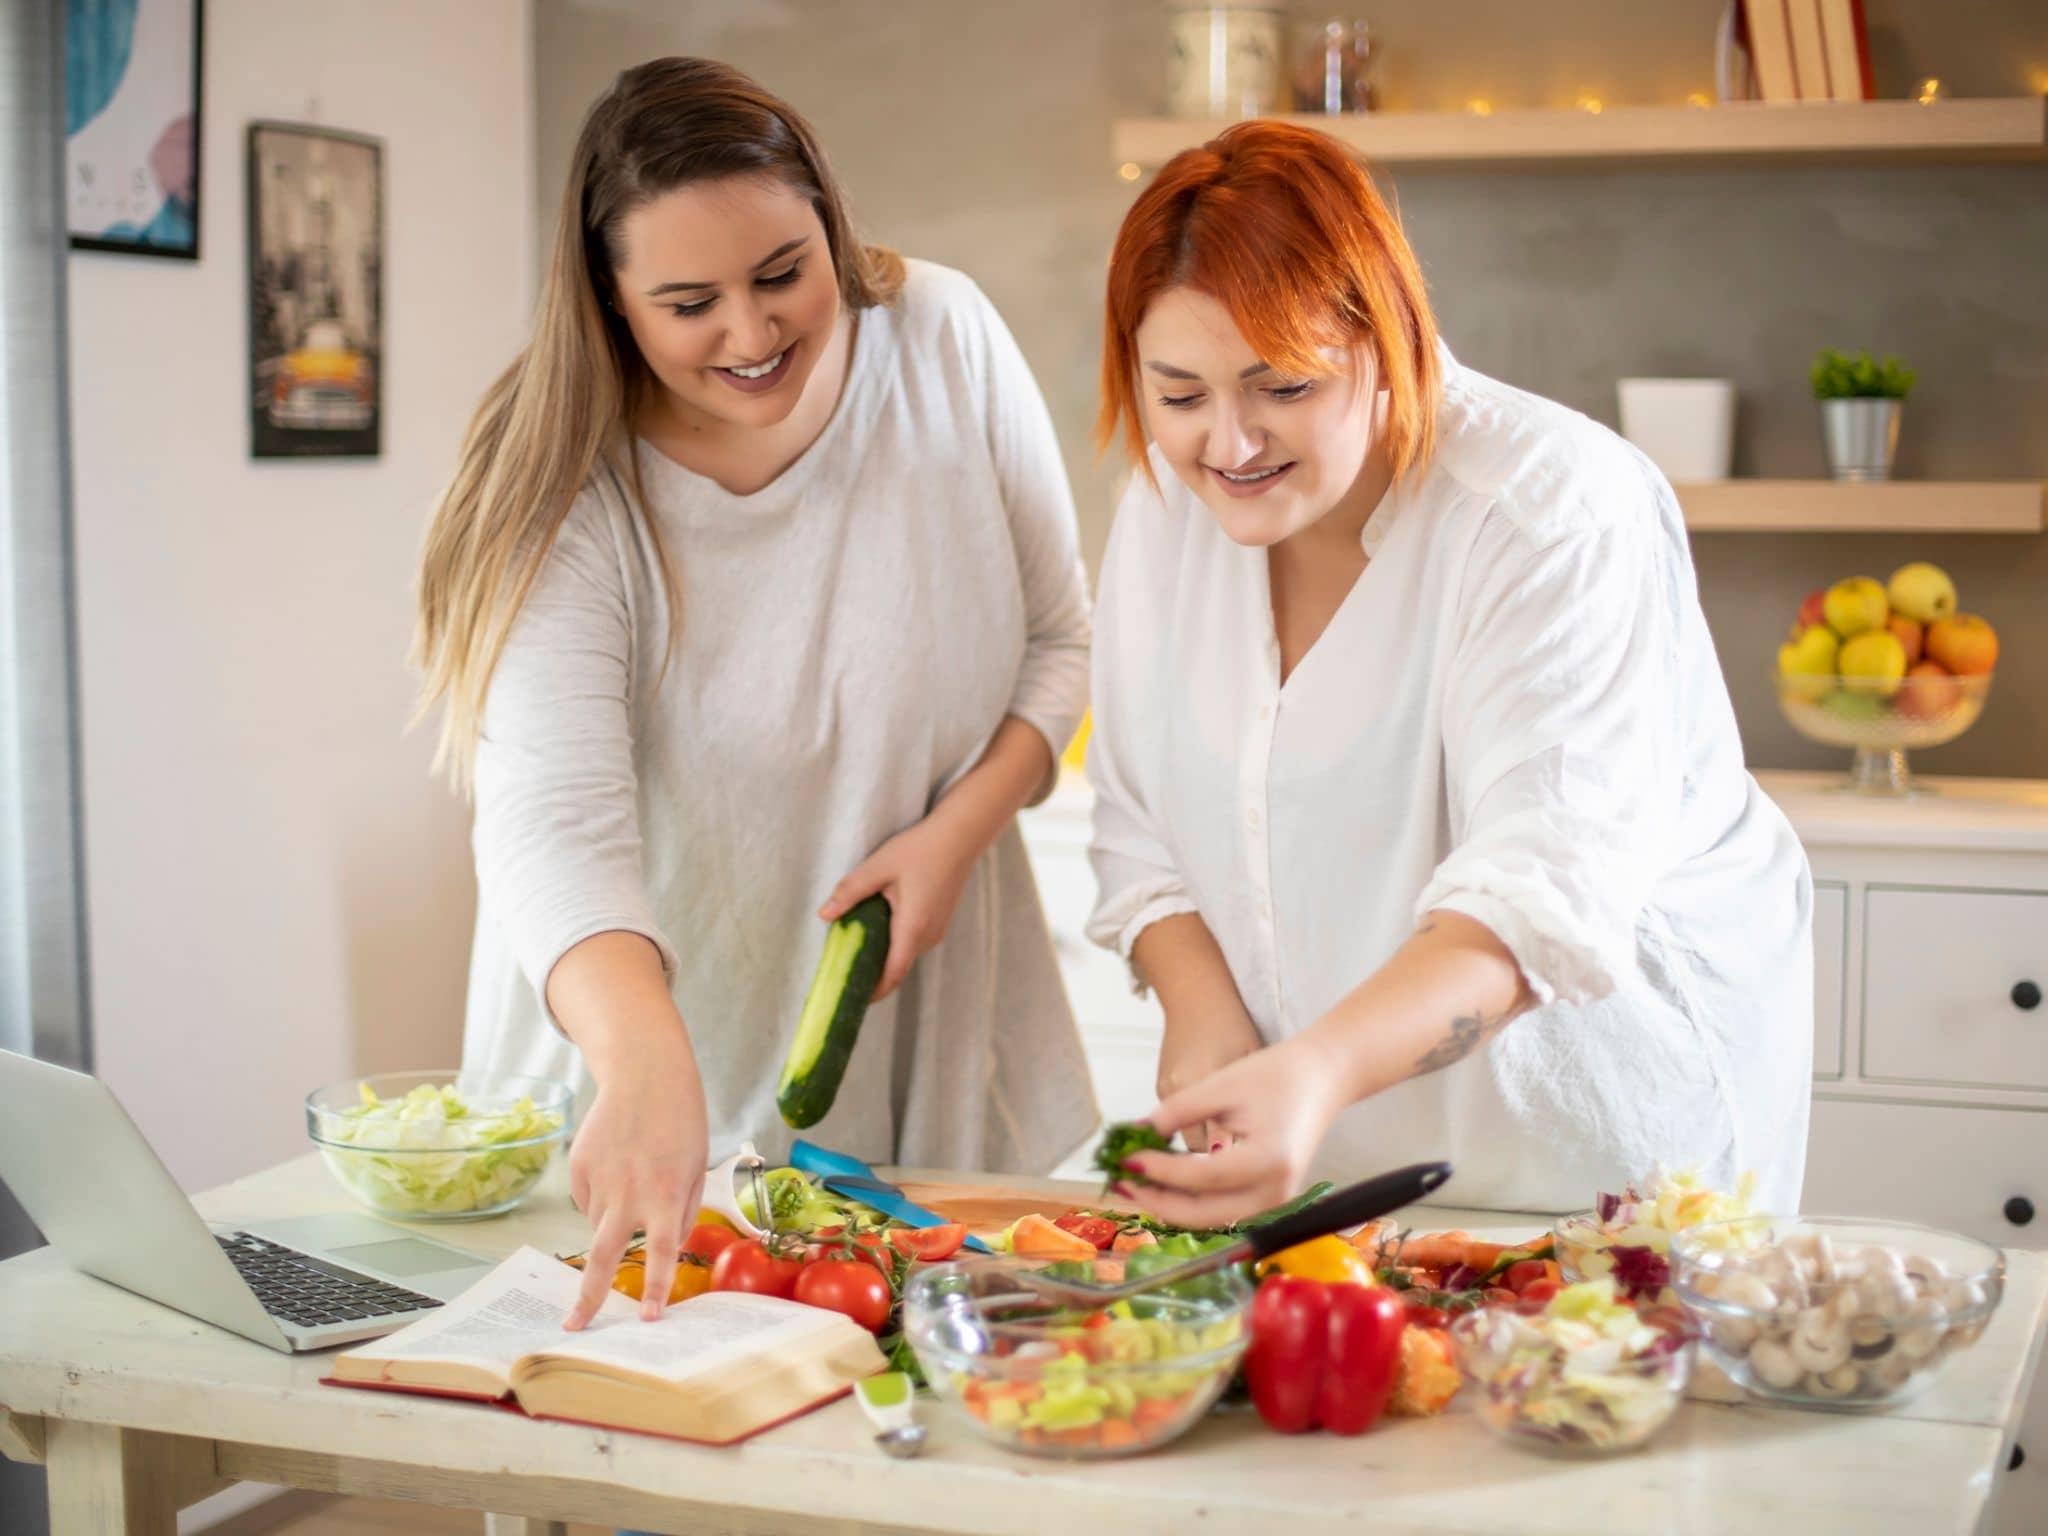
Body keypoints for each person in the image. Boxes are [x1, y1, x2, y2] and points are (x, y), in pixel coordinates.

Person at [413, 58, 1095, 1326]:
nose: (752, 332)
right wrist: (642, 1058)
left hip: (913, 1024)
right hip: (638, 1044)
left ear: (831, 224)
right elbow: (551, 823)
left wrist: (957, 831)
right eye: (688, 303)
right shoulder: (564, 476)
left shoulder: (943, 342)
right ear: (611, 304)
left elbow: (1058, 642)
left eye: (783, 272)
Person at [1085, 120, 1812, 1229]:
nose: (1226, 446)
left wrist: (1318, 1070)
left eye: (1278, 386)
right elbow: (1136, 820)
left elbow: (1535, 891)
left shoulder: (1548, 509)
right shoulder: (1164, 510)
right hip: (1329, 1146)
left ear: (1381, 337)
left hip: (1595, 1146)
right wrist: (1204, 1015)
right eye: (1178, 395)